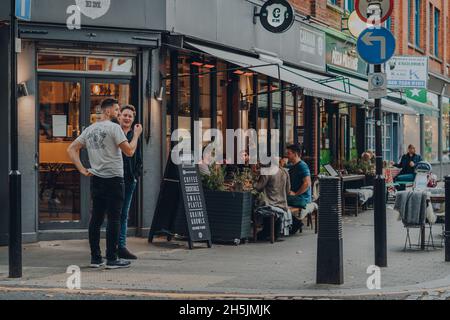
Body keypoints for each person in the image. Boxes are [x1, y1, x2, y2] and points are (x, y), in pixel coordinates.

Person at [67, 98, 143, 269]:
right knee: (114, 219)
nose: (118, 113)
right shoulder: (114, 128)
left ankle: (95, 258)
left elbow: (71, 148)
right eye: (117, 110)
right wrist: (136, 135)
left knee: (96, 218)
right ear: (108, 111)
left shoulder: (90, 129)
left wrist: (81, 168)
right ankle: (112, 258)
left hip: (97, 178)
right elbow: (129, 151)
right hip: (114, 179)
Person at [117, 105, 143, 260]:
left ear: (133, 120)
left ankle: (121, 246)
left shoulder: (134, 135)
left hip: (128, 179)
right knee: (115, 214)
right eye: (125, 115)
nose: (127, 118)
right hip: (114, 179)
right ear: (119, 116)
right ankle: (113, 246)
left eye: (130, 116)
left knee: (124, 214)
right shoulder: (114, 132)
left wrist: (135, 175)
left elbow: (138, 157)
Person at [253, 159, 291, 241]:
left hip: (269, 203)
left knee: (254, 206)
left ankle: (263, 231)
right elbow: (288, 190)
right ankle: (272, 233)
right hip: (282, 204)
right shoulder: (285, 172)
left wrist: (255, 181)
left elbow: (258, 187)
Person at [283, 144, 312, 234]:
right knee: (279, 199)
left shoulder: (302, 166)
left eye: (289, 153)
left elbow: (307, 183)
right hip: (297, 197)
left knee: (279, 200)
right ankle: (293, 223)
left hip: (302, 198)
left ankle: (295, 223)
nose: (287, 155)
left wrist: (296, 194)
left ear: (295, 154)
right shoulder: (292, 166)